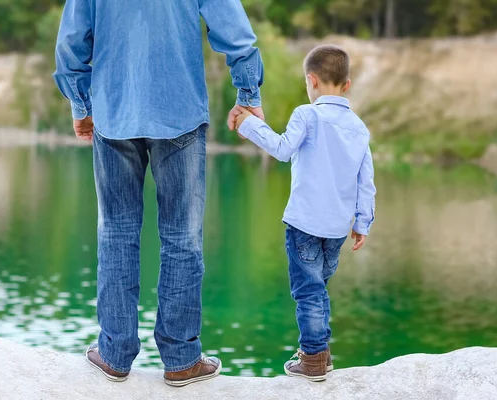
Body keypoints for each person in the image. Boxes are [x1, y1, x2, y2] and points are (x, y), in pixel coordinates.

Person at [53, 0, 264, 388]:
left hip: (114, 113)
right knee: (182, 238)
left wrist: (80, 104)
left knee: (116, 232)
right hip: (179, 111)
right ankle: (182, 360)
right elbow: (234, 31)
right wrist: (248, 93)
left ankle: (114, 355)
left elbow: (71, 43)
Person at [233, 44, 376, 382]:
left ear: (311, 81)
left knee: (308, 291)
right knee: (318, 288)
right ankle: (321, 355)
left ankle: (311, 358)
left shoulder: (306, 114)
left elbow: (282, 150)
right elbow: (365, 180)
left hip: (306, 223)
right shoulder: (358, 128)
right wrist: (363, 221)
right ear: (347, 84)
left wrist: (249, 125)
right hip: (338, 227)